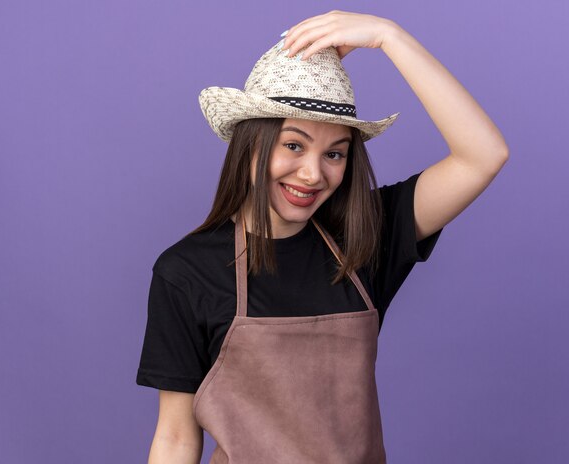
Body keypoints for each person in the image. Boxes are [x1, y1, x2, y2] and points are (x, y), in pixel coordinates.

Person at [136, 10, 509, 464]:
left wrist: (389, 37)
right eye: (293, 145)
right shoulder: (185, 271)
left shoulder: (366, 237)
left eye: (335, 153)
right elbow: (175, 438)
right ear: (250, 144)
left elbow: (483, 155)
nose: (313, 174)